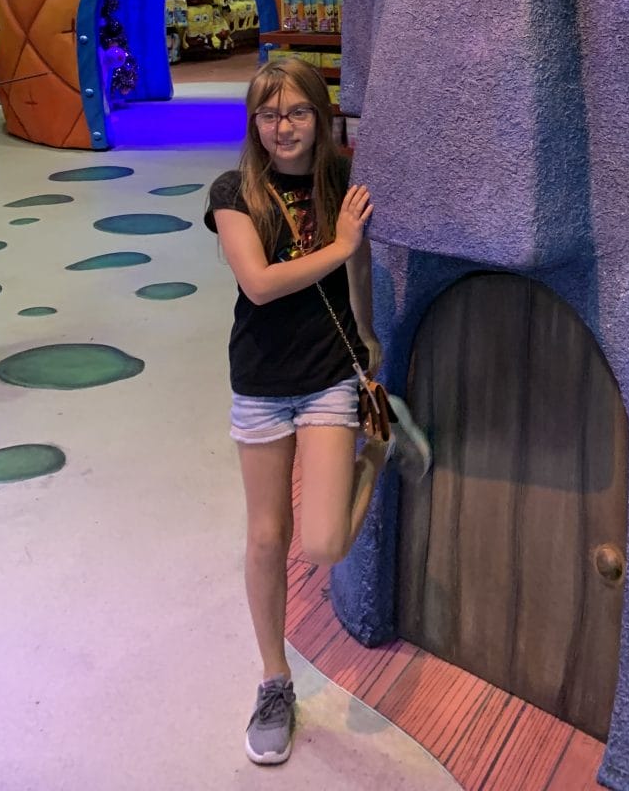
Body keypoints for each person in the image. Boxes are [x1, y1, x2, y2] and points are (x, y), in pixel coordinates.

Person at [205, 56, 430, 767]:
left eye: (297, 112)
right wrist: (340, 245)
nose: (283, 128)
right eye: (269, 114)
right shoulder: (234, 191)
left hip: (330, 376)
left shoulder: (341, 181)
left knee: (327, 544)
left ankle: (379, 449)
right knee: (267, 536)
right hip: (261, 381)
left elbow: (356, 263)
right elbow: (259, 283)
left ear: (320, 115)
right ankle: (275, 681)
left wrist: (366, 330)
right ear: (254, 122)